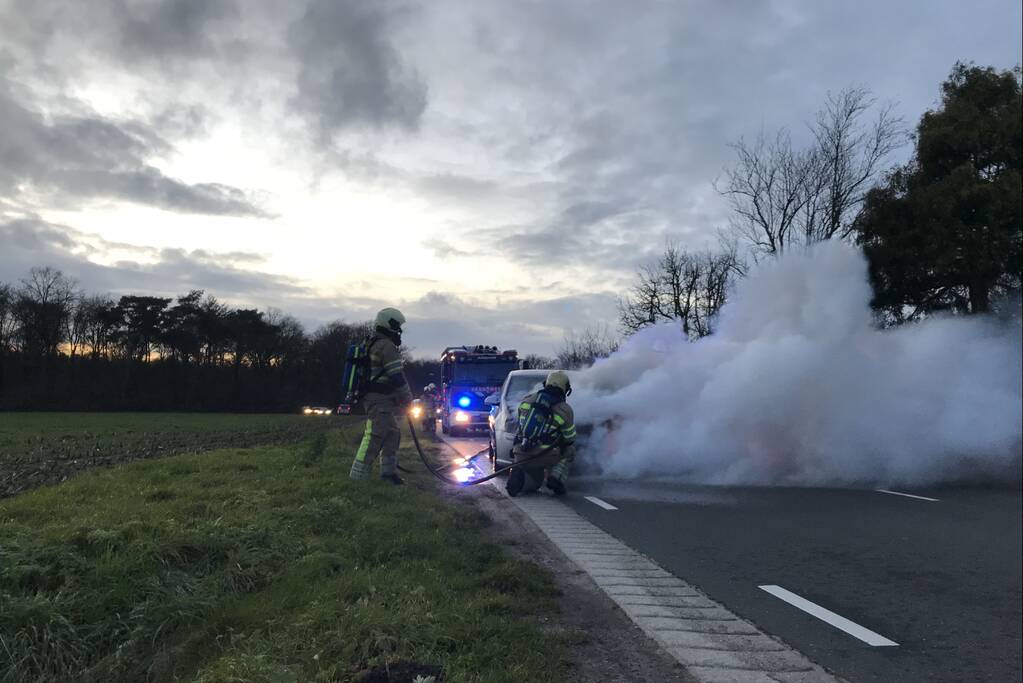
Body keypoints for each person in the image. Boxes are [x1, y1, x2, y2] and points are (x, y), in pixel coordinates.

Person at [349, 308, 412, 485]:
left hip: (380, 398)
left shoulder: (372, 342)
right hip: (378, 399)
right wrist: (407, 398)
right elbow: (397, 376)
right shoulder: (386, 346)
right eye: (397, 326)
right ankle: (357, 477)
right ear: (389, 324)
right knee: (375, 435)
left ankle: (388, 474)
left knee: (392, 433)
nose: (399, 330)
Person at [506, 370, 576, 497]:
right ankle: (555, 478)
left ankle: (519, 478)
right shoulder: (565, 409)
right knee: (570, 451)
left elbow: (520, 428)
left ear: (545, 384)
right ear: (565, 389)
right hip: (547, 455)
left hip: (522, 452)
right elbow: (569, 438)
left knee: (535, 483)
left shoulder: (526, 401)